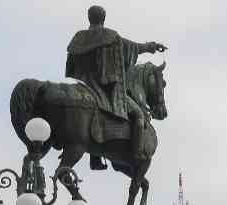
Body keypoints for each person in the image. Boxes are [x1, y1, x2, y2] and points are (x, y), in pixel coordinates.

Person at [65, 6, 166, 166]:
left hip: (83, 85)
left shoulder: (79, 38)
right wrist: (152, 46)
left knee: (91, 114)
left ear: (89, 18)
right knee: (139, 116)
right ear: (103, 19)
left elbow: (71, 62)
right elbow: (135, 47)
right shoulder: (110, 36)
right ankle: (137, 152)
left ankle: (95, 157)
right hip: (106, 88)